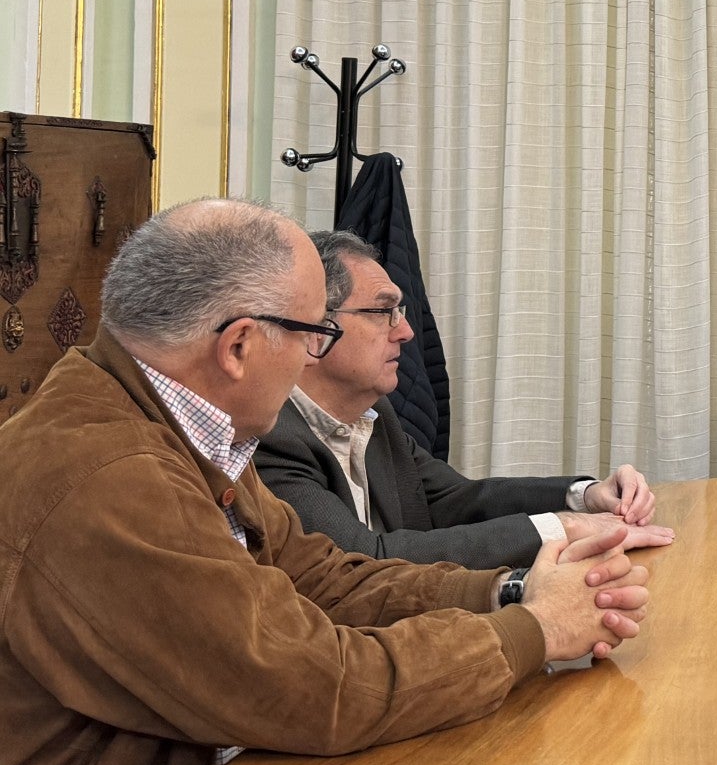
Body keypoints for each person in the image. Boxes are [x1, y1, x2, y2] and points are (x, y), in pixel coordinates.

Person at [0, 199, 650, 765]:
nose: (316, 357)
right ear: (239, 347)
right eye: (315, 333)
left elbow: (327, 578)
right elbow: (315, 688)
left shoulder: (180, 420)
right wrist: (530, 630)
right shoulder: (113, 475)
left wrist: (506, 590)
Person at [256, 231, 672, 568]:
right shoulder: (269, 434)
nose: (405, 333)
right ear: (316, 328)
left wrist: (584, 495)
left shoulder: (373, 414)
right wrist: (560, 529)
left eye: (400, 313)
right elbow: (363, 563)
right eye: (383, 313)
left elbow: (454, 499)